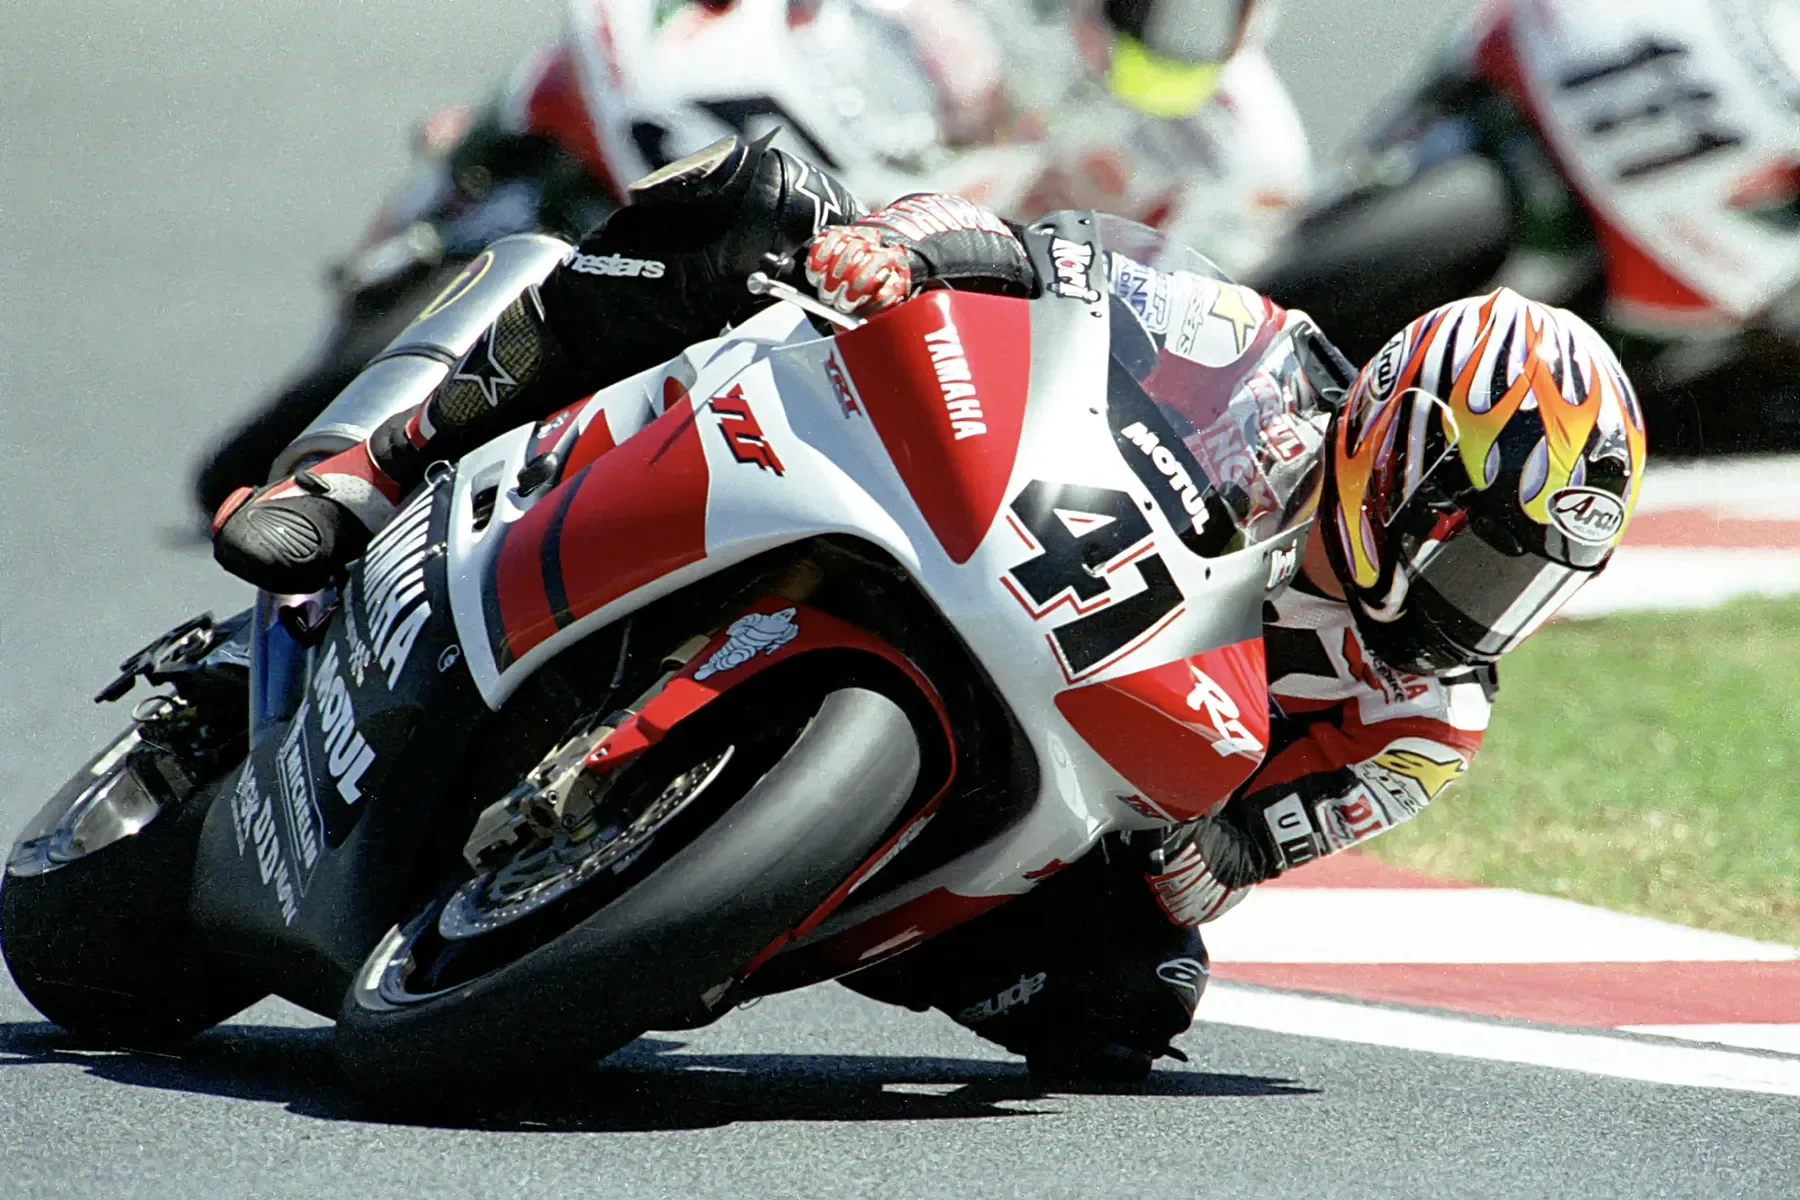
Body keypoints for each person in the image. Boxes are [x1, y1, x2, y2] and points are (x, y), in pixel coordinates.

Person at [212, 134, 1648, 1081]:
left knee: (1136, 998)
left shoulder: (1427, 721)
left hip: (1082, 770)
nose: (1488, 607)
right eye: (1481, 559)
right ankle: (383, 460)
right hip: (979, 528)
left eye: (1529, 581)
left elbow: (1225, 855)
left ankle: (724, 913)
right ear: (1393, 463)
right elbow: (1062, 254)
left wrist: (1191, 859)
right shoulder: (1259, 355)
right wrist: (907, 250)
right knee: (760, 201)